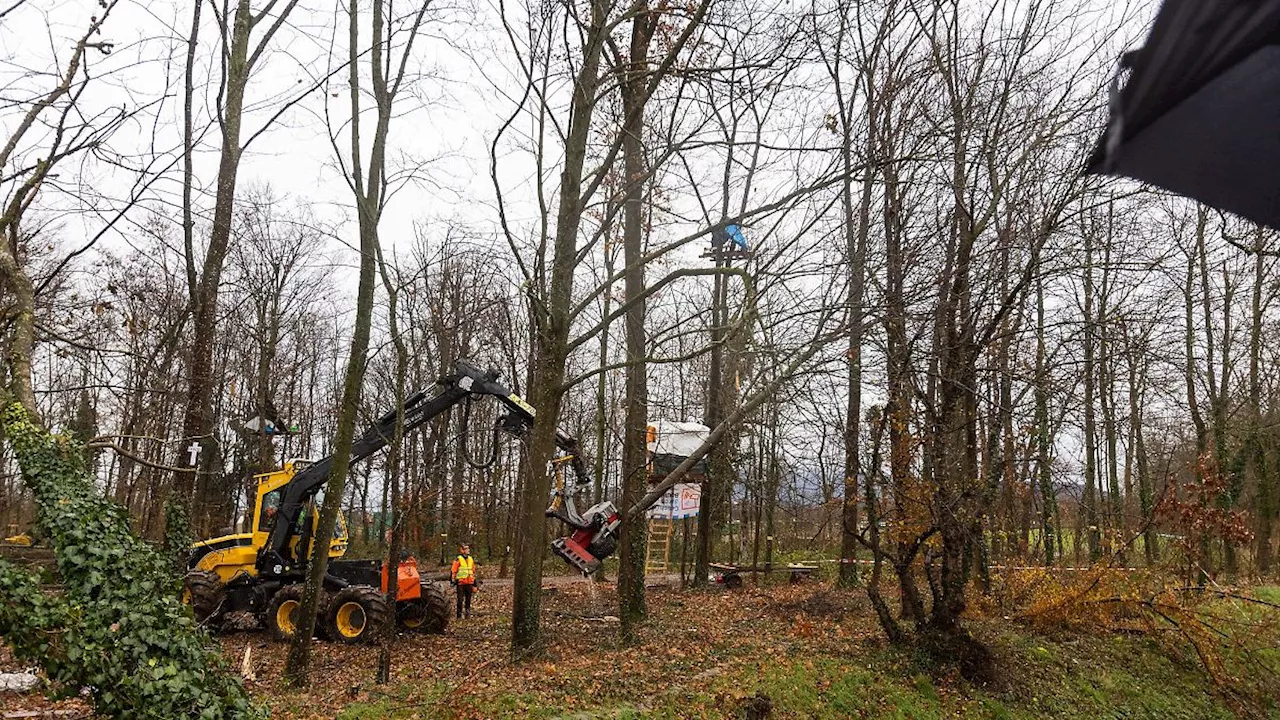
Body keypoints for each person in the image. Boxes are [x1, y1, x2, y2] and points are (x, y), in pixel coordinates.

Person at [450, 543, 477, 619]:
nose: (468, 550)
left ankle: (467, 614)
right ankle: (459, 615)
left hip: (469, 582)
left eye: (468, 549)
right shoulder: (458, 559)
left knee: (468, 599)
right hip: (461, 582)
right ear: (462, 550)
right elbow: (453, 570)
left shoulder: (471, 559)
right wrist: (453, 580)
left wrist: (475, 584)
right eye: (466, 549)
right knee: (460, 600)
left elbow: (473, 571)